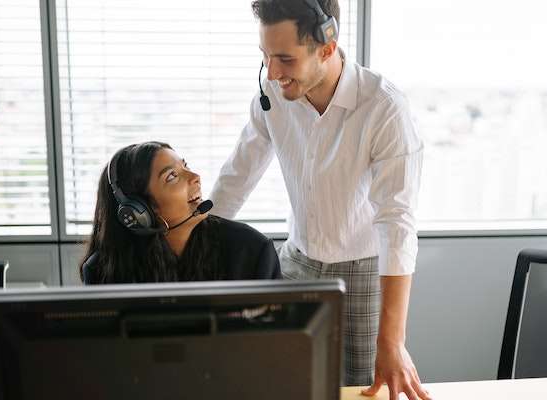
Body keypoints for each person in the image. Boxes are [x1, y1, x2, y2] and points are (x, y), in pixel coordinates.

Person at [209, 1, 429, 398]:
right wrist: (191, 242)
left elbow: (397, 222)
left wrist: (392, 341)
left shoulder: (384, 108)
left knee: (365, 389)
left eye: (285, 59)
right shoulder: (272, 92)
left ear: (326, 48)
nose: (272, 73)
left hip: (364, 269)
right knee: (283, 383)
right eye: (264, 56)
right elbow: (238, 174)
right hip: (297, 260)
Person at [80, 141, 281, 284]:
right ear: (139, 212)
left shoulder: (251, 250)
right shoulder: (104, 271)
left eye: (186, 166)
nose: (195, 177)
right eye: (172, 176)